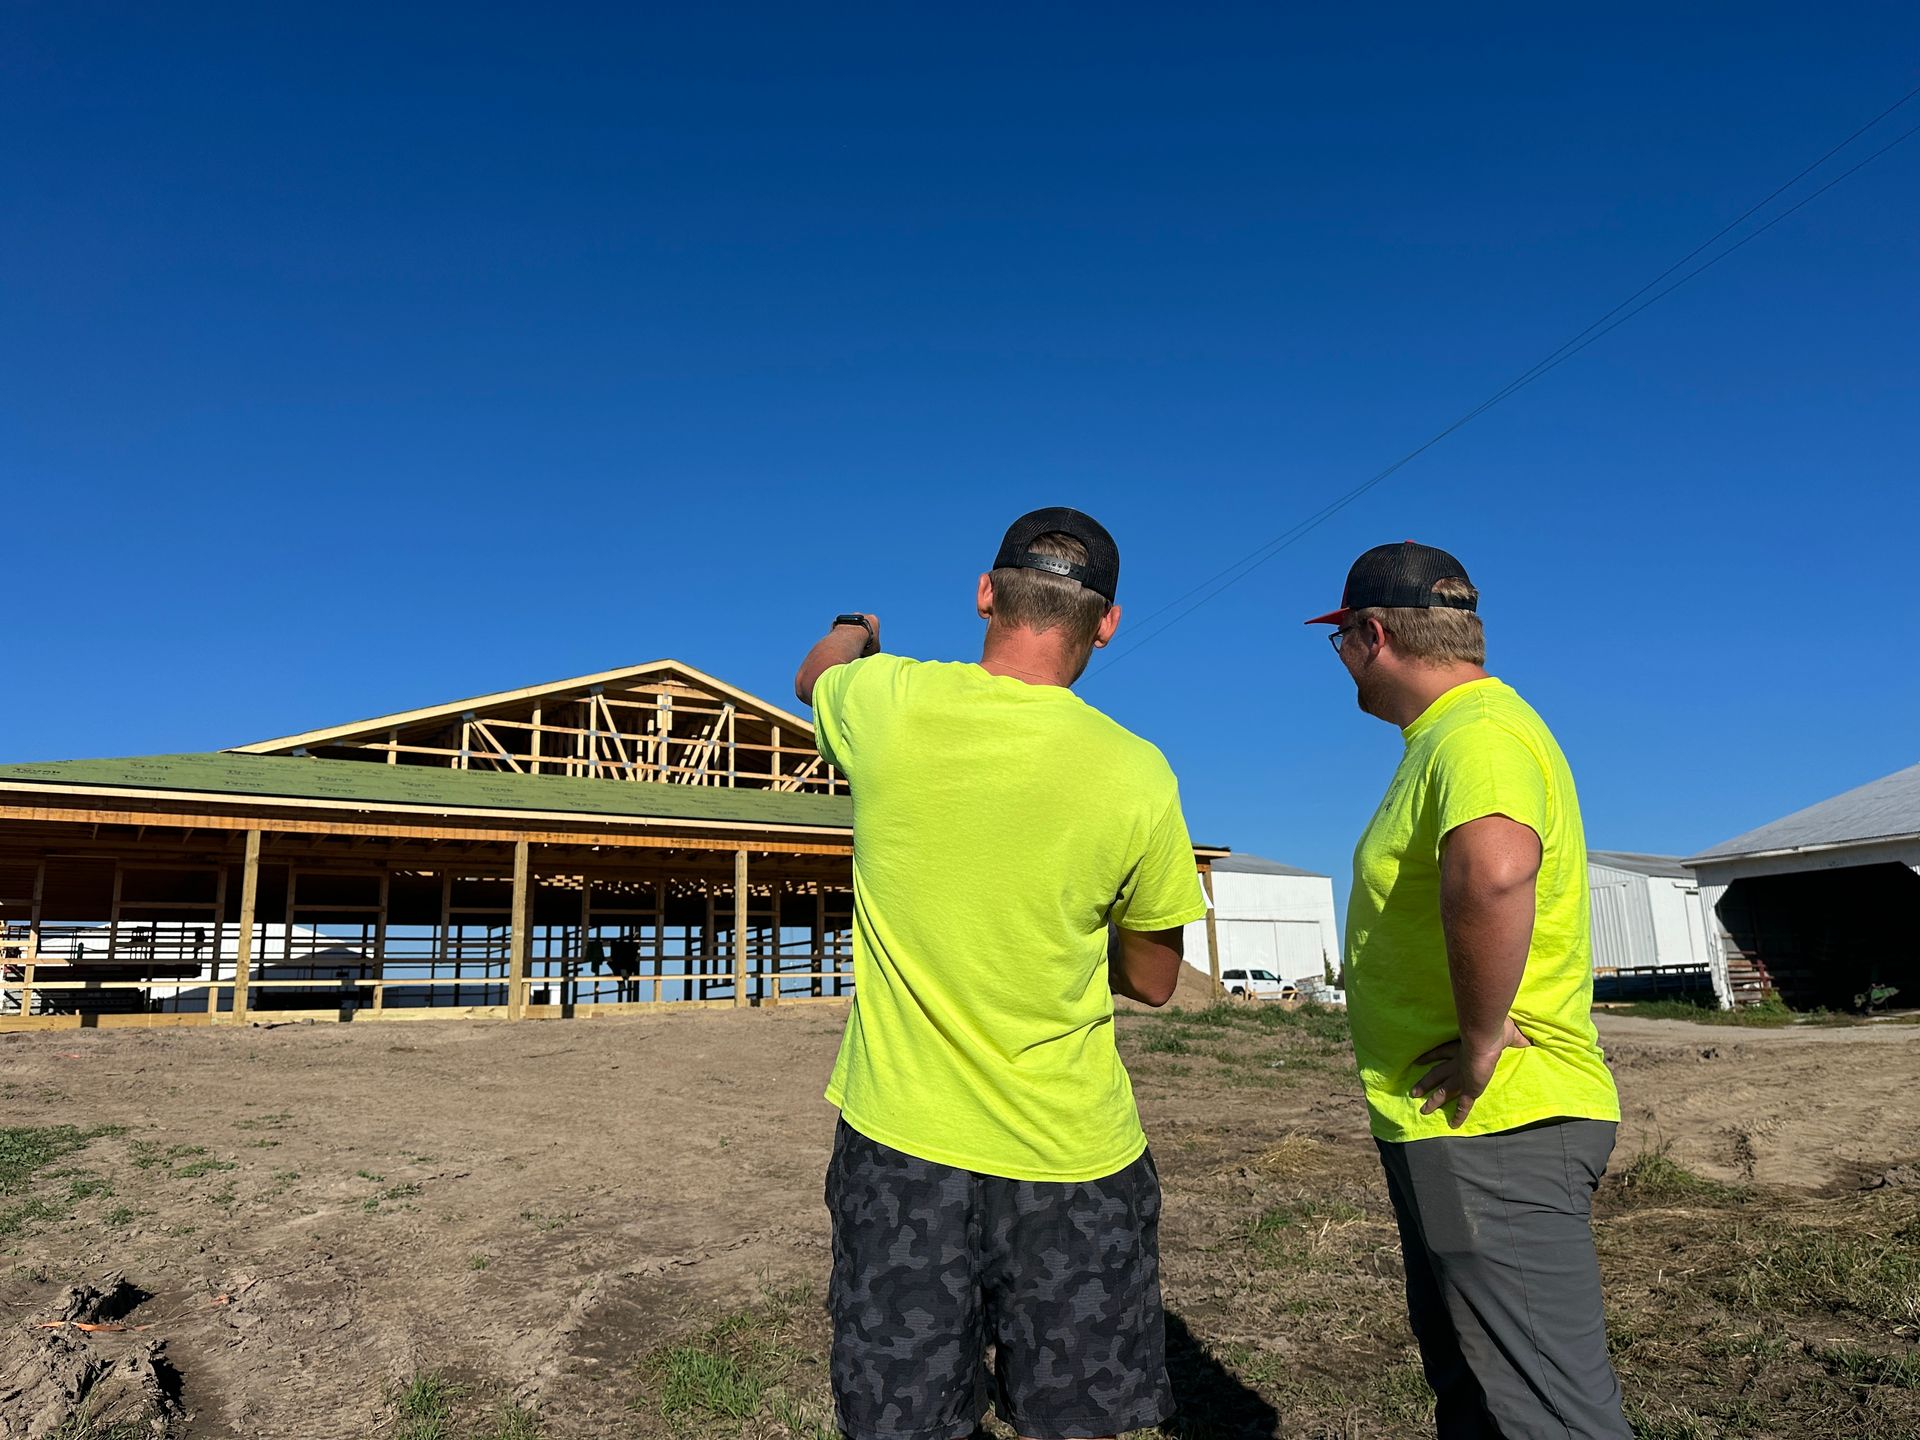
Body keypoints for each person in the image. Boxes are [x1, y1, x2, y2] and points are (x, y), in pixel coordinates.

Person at [795, 507, 1209, 1440]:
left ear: (986, 594)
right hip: (1073, 1155)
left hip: (902, 1146)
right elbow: (1153, 978)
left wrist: (858, 627)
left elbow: (816, 672)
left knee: (902, 1415)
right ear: (1105, 622)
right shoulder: (1139, 774)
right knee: (1076, 1418)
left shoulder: (885, 701)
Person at [1308, 541, 1629, 1440]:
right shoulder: (1453, 737)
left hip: (1494, 1122)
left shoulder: (1476, 733)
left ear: (1374, 634)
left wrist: (1483, 1040)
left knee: (1549, 1416)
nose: (1342, 666)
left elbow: (1492, 871)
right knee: (1481, 1398)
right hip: (1456, 1124)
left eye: (1340, 644)